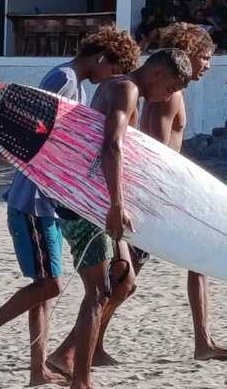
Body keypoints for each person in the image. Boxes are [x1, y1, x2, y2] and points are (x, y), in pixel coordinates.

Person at [0, 26, 140, 386]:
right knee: (50, 286)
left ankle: (37, 371)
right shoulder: (64, 77)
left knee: (45, 286)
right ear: (102, 57)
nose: (113, 78)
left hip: (51, 200)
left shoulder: (79, 84)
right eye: (115, 67)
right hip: (34, 199)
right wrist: (13, 153)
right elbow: (32, 122)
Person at [84, 23, 227, 365]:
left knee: (194, 261)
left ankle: (203, 340)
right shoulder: (166, 93)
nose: (208, 65)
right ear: (186, 53)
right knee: (125, 280)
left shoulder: (170, 89)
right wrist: (169, 195)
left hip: (163, 192)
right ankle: (83, 347)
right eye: (205, 56)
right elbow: (154, 147)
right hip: (155, 195)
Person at [47, 49, 192, 389]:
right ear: (156, 73)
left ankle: (66, 358)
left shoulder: (121, 87)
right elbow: (111, 146)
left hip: (101, 200)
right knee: (98, 292)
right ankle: (80, 380)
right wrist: (116, 204)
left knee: (123, 283)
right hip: (90, 203)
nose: (168, 97)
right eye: (169, 87)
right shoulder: (125, 89)